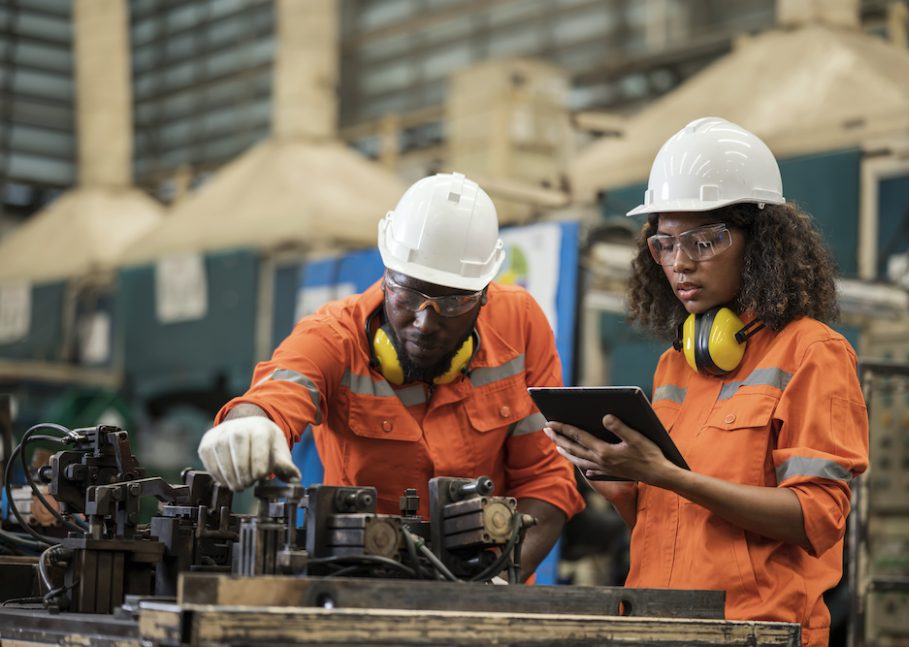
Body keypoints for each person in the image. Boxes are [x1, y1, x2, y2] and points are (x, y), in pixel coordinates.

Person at [544, 117, 868, 646]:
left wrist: (672, 477)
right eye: (665, 245)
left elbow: (817, 518)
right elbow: (663, 519)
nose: (680, 265)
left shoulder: (814, 353)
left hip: (754, 633)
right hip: (656, 625)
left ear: (760, 240)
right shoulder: (676, 366)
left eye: (704, 241)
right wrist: (612, 475)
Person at [198, 172, 584, 579]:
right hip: (360, 585)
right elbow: (278, 392)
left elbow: (545, 482)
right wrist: (251, 423)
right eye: (409, 294)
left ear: (484, 295)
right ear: (386, 276)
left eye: (451, 304)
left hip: (487, 589)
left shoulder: (520, 326)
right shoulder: (334, 337)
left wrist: (498, 580)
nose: (424, 321)